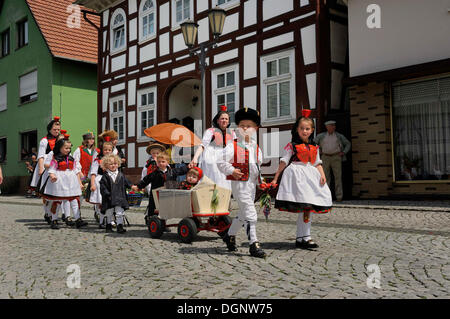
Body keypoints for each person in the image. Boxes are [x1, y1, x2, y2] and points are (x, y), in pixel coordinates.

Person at [272, 111, 332, 249]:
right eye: (302, 128)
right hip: (296, 177)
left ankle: (302, 237)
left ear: (312, 130)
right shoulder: (292, 146)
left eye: (307, 129)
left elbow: (317, 162)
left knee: (308, 207)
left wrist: (322, 175)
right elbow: (284, 161)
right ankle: (305, 237)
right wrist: (276, 177)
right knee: (305, 207)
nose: (304, 131)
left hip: (311, 177)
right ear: (297, 129)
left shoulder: (314, 147)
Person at [217, 107, 266, 258]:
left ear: (255, 128)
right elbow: (220, 161)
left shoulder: (256, 148)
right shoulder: (233, 145)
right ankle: (254, 244)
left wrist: (261, 181)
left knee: (244, 213)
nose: (245, 128)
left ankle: (229, 235)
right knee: (251, 213)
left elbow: (256, 167)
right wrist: (231, 170)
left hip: (251, 184)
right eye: (242, 125)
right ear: (238, 128)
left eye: (249, 126)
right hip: (239, 183)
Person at [41, 138, 87, 229]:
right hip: (60, 181)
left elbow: (75, 170)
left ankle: (78, 219)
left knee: (74, 199)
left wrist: (79, 182)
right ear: (59, 148)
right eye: (66, 148)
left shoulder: (71, 158)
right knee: (57, 200)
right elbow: (51, 169)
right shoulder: (56, 158)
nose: (68, 150)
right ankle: (54, 220)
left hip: (71, 181)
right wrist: (52, 175)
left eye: (69, 148)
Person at [132, 152, 188, 227]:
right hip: (155, 195)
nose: (161, 163)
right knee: (153, 210)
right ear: (157, 163)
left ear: (167, 162)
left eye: (163, 162)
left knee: (164, 210)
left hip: (167, 195)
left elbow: (181, 170)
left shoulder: (172, 172)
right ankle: (151, 223)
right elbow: (146, 180)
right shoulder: (154, 173)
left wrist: (188, 167)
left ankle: (163, 225)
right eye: (159, 162)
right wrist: (138, 186)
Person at [189, 105, 235, 190]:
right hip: (212, 157)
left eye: (226, 119)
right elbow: (202, 146)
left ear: (229, 121)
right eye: (222, 118)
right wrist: (195, 158)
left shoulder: (232, 133)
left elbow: (236, 148)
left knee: (226, 180)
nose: (224, 120)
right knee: (214, 178)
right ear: (217, 121)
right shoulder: (210, 131)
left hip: (226, 157)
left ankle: (225, 198)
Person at [30, 117, 61, 223]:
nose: (56, 131)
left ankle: (54, 214)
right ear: (49, 129)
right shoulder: (44, 140)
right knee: (46, 192)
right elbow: (41, 156)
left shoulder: (60, 140)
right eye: (54, 130)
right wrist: (41, 169)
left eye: (58, 130)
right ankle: (47, 212)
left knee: (57, 192)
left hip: (57, 168)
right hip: (46, 167)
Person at [313, 120, 351, 202]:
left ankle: (339, 197)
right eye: (331, 126)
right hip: (325, 157)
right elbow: (313, 144)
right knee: (325, 177)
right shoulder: (321, 136)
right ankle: (326, 197)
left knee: (338, 177)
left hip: (336, 156)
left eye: (334, 126)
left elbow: (348, 143)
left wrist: (344, 152)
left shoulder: (339, 136)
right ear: (327, 127)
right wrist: (318, 151)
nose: (333, 127)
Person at [99, 154, 133, 234]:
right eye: (110, 164)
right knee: (109, 213)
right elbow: (103, 187)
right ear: (106, 165)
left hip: (120, 197)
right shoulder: (105, 176)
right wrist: (107, 194)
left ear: (118, 164)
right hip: (109, 198)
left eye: (115, 164)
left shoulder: (121, 175)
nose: (113, 166)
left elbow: (126, 182)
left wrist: (132, 186)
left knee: (119, 212)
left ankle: (120, 226)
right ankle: (108, 226)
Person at [88, 140, 114, 229]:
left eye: (109, 150)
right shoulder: (97, 160)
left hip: (111, 181)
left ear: (112, 150)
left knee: (111, 202)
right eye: (105, 149)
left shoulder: (114, 160)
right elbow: (93, 173)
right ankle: (101, 220)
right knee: (102, 202)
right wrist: (92, 184)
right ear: (102, 150)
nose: (107, 151)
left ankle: (110, 220)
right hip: (100, 181)